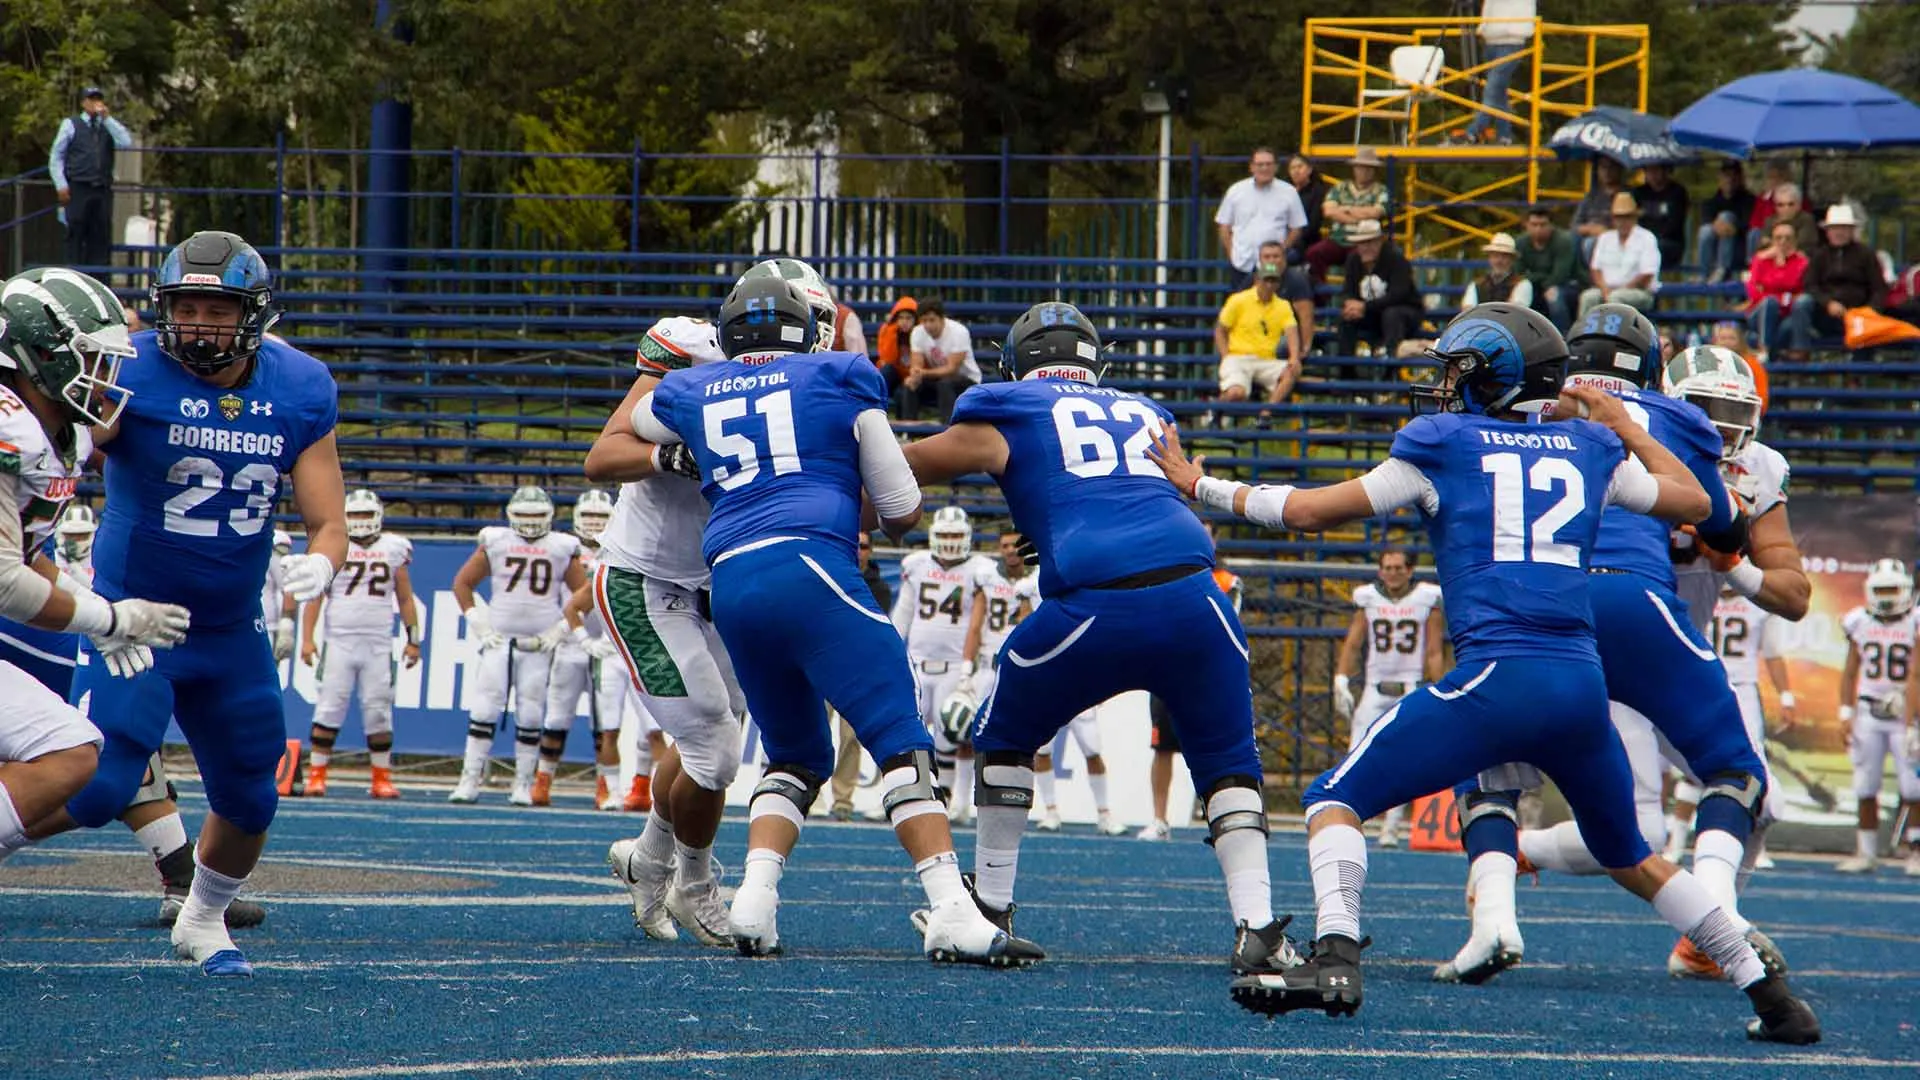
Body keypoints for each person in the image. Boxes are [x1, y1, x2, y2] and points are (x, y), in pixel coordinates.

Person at [1152, 302, 1819, 1045]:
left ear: (1493, 377)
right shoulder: (1587, 449)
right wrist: (1628, 430)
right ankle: (1772, 996)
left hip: (1497, 677)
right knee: (1630, 854)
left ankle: (1335, 957)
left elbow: (1305, 511)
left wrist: (1200, 485)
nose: (1441, 385)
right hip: (1579, 686)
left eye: (1455, 370)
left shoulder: (1444, 442)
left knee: (1331, 800)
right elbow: (1697, 501)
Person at [630, 273, 1031, 965]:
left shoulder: (694, 388)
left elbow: (634, 426)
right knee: (900, 735)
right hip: (812, 564)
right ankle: (950, 909)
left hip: (730, 580)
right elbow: (902, 506)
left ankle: (756, 904)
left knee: (794, 754)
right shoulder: (840, 373)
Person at [900, 301, 1300, 991]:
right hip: (1201, 598)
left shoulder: (1008, 406)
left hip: (1098, 602)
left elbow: (909, 469)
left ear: (1019, 364)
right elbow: (1128, 495)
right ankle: (1257, 926)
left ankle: (989, 903)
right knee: (1229, 760)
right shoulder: (1147, 410)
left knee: (1004, 733)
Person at [38, 233, 347, 978]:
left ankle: (203, 919)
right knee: (102, 781)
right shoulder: (128, 365)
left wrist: (322, 564)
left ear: (253, 314)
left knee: (252, 793)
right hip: (133, 619)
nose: (200, 325)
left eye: (218, 309)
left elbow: (328, 519)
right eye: (188, 307)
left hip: (229, 628)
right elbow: (59, 457)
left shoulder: (300, 386)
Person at [1458, 324, 1786, 986]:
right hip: (1644, 628)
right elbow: (1714, 515)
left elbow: (1793, 590)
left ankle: (1503, 872)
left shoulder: (1757, 465)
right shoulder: (1670, 427)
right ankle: (1713, 926)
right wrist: (1724, 535)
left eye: (1732, 415)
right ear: (1666, 389)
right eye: (1708, 412)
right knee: (1666, 812)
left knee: (1755, 803)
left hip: (1595, 621)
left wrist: (1736, 567)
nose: (1719, 430)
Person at [0, 268, 192, 882]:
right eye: (91, 358)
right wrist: (108, 617)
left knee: (73, 748)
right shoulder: (11, 429)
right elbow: (4, 579)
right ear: (39, 357)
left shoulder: (55, 431)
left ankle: (177, 867)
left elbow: (28, 554)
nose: (106, 378)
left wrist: (87, 603)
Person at [585, 313, 751, 945]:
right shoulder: (676, 382)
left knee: (709, 737)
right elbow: (601, 457)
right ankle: (695, 883)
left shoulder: (758, 381)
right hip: (645, 580)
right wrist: (665, 453)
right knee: (714, 745)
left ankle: (648, 859)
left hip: (708, 583)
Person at [449, 486, 588, 805]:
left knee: (530, 714)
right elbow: (462, 583)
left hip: (538, 645)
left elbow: (586, 593)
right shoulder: (497, 542)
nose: (530, 522)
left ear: (550, 517)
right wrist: (478, 624)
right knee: (484, 709)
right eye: (524, 515)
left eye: (537, 515)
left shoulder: (561, 546)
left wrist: (559, 631)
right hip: (499, 640)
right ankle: (469, 780)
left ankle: (522, 784)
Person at [1665, 582, 1797, 868]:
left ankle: (1752, 841)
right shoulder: (1697, 594)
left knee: (1751, 767)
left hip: (1741, 687)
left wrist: (1786, 696)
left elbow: (1772, 654)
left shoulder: (1757, 603)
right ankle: (1675, 843)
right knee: (1693, 767)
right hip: (1704, 683)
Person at [297, 489, 418, 800]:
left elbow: (405, 597)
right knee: (329, 707)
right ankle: (316, 775)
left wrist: (413, 640)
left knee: (379, 710)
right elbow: (315, 597)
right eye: (356, 515)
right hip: (340, 642)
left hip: (378, 644)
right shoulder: (336, 546)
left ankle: (381, 778)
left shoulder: (394, 548)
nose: (361, 522)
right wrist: (307, 639)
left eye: (366, 515)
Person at [1331, 549, 1444, 848]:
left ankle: (1390, 828)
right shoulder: (1368, 597)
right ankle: (1348, 819)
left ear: (1410, 570)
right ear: (1380, 571)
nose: (1392, 573)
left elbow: (1434, 651)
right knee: (1356, 754)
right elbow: (1354, 643)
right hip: (1374, 687)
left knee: (1403, 757)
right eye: (1387, 568)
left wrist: (1440, 688)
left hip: (1411, 687)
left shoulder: (1427, 598)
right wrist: (1341, 677)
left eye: (1398, 568)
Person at [1139, 519, 1242, 841]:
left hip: (1206, 675)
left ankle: (1219, 814)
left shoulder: (1226, 580)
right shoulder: (1161, 571)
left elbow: (1224, 626)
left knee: (1214, 749)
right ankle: (1159, 818)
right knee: (1162, 747)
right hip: (1167, 672)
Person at [892, 506, 991, 812]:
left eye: (955, 535)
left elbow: (980, 623)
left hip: (953, 666)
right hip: (917, 662)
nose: (950, 541)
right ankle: (905, 792)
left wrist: (968, 670)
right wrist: (894, 652)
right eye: (945, 535)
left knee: (950, 736)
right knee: (908, 732)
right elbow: (903, 614)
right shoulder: (917, 565)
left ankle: (944, 798)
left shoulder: (980, 569)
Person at [1834, 558, 1920, 876]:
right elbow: (1849, 672)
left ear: (1906, 590)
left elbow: (1917, 674)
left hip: (1904, 713)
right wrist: (1845, 712)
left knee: (1914, 789)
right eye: (1880, 589)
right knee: (1865, 785)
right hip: (1869, 710)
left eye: (1892, 589)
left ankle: (1916, 852)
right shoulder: (1859, 621)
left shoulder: (1915, 621)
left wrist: (1912, 719)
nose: (1885, 597)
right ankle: (1866, 851)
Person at [533, 489, 619, 806]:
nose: (594, 523)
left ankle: (604, 786)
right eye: (589, 517)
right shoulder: (564, 548)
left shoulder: (618, 547)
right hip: (569, 643)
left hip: (607, 645)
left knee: (604, 722)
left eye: (601, 517)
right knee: (557, 716)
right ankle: (543, 781)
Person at [829, 531, 892, 820]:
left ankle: (843, 799)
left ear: (871, 550)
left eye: (864, 546)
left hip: (856, 667)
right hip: (823, 661)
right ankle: (805, 792)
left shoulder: (879, 589)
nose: (859, 551)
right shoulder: (830, 570)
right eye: (855, 545)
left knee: (851, 738)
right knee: (810, 730)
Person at [1784, 205, 1887, 358]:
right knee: (1802, 304)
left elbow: (1879, 288)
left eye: (1843, 228)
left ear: (1851, 230)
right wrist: (1828, 303)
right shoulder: (1820, 255)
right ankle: (1800, 351)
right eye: (1834, 228)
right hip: (1825, 315)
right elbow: (1810, 285)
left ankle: (1856, 377)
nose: (1839, 232)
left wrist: (1868, 312)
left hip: (1858, 316)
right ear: (1827, 232)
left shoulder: (1866, 254)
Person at [49, 88, 134, 268]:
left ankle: (100, 283)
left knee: (101, 236)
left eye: (98, 99)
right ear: (83, 103)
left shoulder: (107, 126)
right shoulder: (71, 124)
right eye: (91, 99)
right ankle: (73, 280)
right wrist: (61, 185)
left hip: (102, 188)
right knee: (76, 233)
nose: (95, 103)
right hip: (78, 187)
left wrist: (107, 119)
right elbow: (56, 156)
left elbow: (126, 142)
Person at [1215, 248, 1301, 416]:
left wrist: (1294, 357)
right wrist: (1226, 355)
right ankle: (1216, 409)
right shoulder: (1239, 300)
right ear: (1257, 280)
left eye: (1273, 281)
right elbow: (1220, 330)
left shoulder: (1283, 305)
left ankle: (1266, 413)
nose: (1269, 285)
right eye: (1266, 280)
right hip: (1238, 356)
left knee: (1292, 370)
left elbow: (1292, 332)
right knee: (1235, 393)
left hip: (1266, 360)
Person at [1215, 147, 1308, 286]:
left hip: (1272, 265)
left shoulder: (1289, 192)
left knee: (1270, 304)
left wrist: (1281, 250)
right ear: (1251, 167)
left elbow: (1297, 227)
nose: (1264, 168)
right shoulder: (1236, 191)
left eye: (1269, 164)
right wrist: (1231, 253)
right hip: (1242, 263)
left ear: (1276, 167)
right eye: (1260, 164)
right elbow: (1223, 225)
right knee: (1242, 305)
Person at [1335, 220, 1423, 365]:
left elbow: (1399, 294)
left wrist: (1364, 307)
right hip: (1371, 313)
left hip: (1405, 313)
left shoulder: (1396, 260)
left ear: (1380, 241)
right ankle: (1346, 373)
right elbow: (1347, 290)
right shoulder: (1353, 260)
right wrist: (1349, 304)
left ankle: (1389, 370)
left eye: (1370, 242)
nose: (1365, 247)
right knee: (1346, 319)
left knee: (1392, 314)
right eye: (1362, 243)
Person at [1307, 147, 1390, 283]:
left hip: (1364, 242)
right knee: (1314, 253)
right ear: (1354, 168)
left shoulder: (1381, 190)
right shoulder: (1340, 187)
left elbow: (1376, 213)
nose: (1364, 171)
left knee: (1358, 260)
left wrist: (1345, 209)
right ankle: (1321, 295)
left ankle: (1356, 296)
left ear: (1374, 170)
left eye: (1368, 168)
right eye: (1361, 167)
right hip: (1338, 239)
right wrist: (1360, 215)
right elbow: (1328, 211)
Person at [1461, 0, 1535, 146]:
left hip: (1511, 40)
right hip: (1492, 39)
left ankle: (1473, 132)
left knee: (1492, 88)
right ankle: (1504, 136)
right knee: (1499, 92)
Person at [1578, 192, 1660, 317]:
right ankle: (1583, 335)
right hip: (1607, 289)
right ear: (1613, 219)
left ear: (1634, 217)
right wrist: (1604, 289)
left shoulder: (1647, 238)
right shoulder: (1605, 238)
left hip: (1639, 292)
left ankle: (1612, 336)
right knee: (1588, 297)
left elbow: (1647, 274)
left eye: (1626, 217)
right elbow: (1596, 269)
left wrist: (1623, 288)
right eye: (1618, 217)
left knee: (1616, 298)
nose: (1622, 221)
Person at [902, 299, 980, 423]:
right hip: (938, 379)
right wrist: (915, 375)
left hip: (966, 380)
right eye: (924, 321)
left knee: (945, 384)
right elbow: (917, 363)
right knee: (910, 385)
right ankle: (908, 430)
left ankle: (947, 427)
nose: (928, 325)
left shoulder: (959, 332)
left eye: (932, 320)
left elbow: (952, 369)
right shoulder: (917, 332)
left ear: (942, 318)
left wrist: (923, 373)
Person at [1744, 220, 1808, 358]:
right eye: (1778, 238)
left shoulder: (1801, 262)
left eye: (1788, 238)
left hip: (1787, 315)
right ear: (1772, 240)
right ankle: (1764, 348)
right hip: (1760, 313)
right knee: (1770, 302)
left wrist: (1779, 269)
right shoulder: (1760, 260)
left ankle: (1770, 355)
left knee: (1790, 325)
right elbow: (1754, 293)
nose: (1783, 241)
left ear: (1795, 241)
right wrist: (1783, 295)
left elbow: (1800, 290)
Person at [1516, 205, 1580, 331]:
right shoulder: (1521, 243)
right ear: (1527, 225)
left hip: (1566, 284)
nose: (1538, 229)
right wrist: (1538, 279)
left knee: (1554, 298)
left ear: (1551, 225)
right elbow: (1518, 273)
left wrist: (1534, 277)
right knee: (1519, 294)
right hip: (1535, 285)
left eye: (1543, 224)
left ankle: (1563, 338)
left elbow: (1560, 274)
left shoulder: (1563, 240)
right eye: (1534, 224)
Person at [1698, 160, 1758, 284]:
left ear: (1740, 178)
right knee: (1706, 230)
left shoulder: (1749, 200)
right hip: (1715, 250)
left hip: (1740, 250)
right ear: (1719, 178)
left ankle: (1722, 270)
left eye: (1734, 175)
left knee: (1726, 217)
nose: (1730, 179)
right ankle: (1704, 273)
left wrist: (1733, 227)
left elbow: (1748, 224)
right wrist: (1718, 225)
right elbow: (1706, 221)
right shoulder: (1711, 202)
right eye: (1726, 175)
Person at [1630, 164, 1690, 273]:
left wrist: (1648, 235)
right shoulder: (1638, 193)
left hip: (1669, 244)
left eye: (1656, 170)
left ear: (1666, 171)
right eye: (1649, 170)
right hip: (1641, 242)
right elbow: (1633, 222)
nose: (1652, 174)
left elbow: (1673, 225)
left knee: (1652, 248)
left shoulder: (1678, 192)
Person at [1460, 233, 1534, 310]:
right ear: (1489, 258)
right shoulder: (1476, 285)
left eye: (1504, 256)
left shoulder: (1522, 284)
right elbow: (1467, 312)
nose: (1499, 261)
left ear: (1512, 260)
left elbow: (1514, 313)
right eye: (1495, 256)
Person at [1572, 158, 1626, 260]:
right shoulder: (1591, 196)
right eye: (1603, 167)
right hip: (1589, 234)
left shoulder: (1627, 195)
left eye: (1611, 168)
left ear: (1619, 169)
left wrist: (1605, 231)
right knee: (1569, 240)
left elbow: (1628, 225)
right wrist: (1589, 229)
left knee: (1591, 243)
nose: (1607, 172)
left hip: (1614, 238)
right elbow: (1574, 226)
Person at [1750, 183, 1817, 263]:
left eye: (1790, 204)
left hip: (1798, 260)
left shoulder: (1806, 219)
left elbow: (1802, 244)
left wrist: (1774, 245)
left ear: (1799, 205)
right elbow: (1763, 244)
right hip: (1772, 258)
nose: (1786, 208)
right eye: (1780, 205)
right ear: (1775, 207)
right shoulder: (1770, 220)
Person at [1288, 154, 1331, 254]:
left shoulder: (1317, 192)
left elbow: (1312, 226)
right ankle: (1266, 269)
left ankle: (1269, 269)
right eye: (1292, 168)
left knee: (1275, 259)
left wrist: (1290, 240)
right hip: (1281, 241)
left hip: (1304, 244)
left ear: (1309, 170)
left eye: (1300, 167)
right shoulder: (1286, 191)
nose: (1296, 171)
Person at [875, 297, 918, 395]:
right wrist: (891, 331)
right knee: (886, 370)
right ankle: (874, 405)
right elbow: (887, 359)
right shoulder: (888, 331)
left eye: (908, 318)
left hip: (911, 377)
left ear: (915, 319)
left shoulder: (921, 333)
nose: (904, 322)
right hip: (894, 375)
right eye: (901, 318)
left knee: (901, 394)